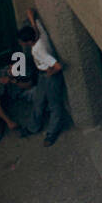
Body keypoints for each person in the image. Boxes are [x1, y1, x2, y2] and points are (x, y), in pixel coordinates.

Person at [17, 8, 66, 146]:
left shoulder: (39, 50)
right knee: (38, 101)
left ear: (28, 42)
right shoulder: (38, 33)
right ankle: (33, 127)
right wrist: (32, 20)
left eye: (21, 41)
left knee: (54, 104)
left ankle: (52, 132)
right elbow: (32, 20)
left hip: (49, 77)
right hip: (42, 75)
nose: (20, 43)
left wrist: (50, 73)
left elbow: (58, 66)